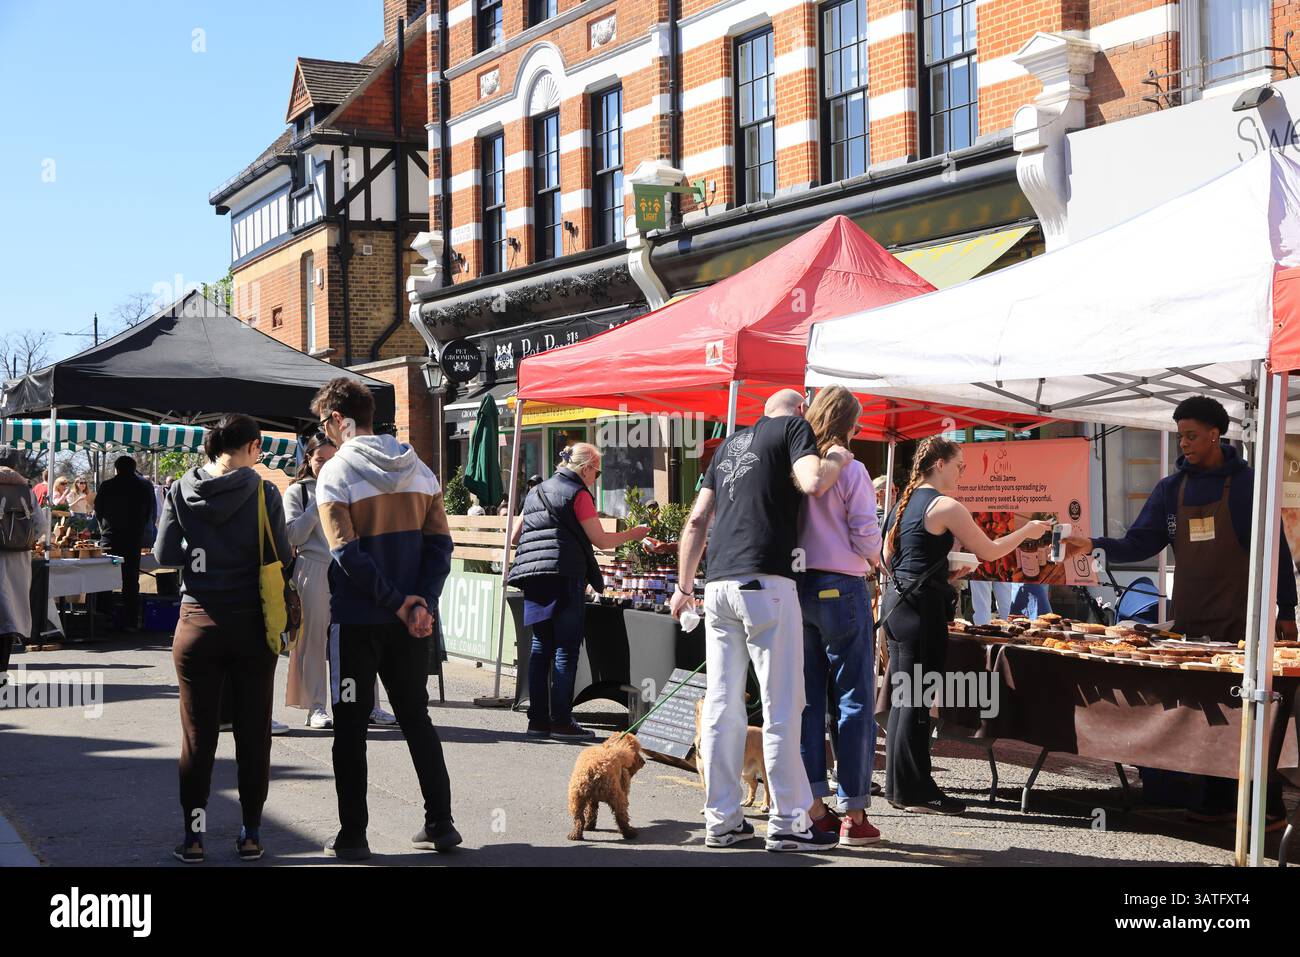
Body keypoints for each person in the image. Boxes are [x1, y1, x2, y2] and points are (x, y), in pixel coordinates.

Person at [1065, 395, 1297, 827]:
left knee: (1248, 712)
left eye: (1191, 435)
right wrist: (1094, 542)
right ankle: (1213, 800)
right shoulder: (1172, 489)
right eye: (1180, 435)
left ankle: (1267, 807)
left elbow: (1275, 550)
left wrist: (1287, 608)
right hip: (1191, 617)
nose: (1184, 443)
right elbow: (1140, 542)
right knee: (1205, 712)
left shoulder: (1248, 485)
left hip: (1242, 618)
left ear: (1215, 434)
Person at [670, 389, 854, 853]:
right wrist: (836, 458)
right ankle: (790, 822)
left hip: (716, 587)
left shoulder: (729, 444)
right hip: (767, 584)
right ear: (798, 410)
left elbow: (696, 521)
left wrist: (683, 586)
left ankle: (722, 820)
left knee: (721, 707)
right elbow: (812, 482)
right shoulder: (795, 429)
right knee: (782, 707)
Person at [312, 377, 461, 859]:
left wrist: (398, 602)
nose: (324, 433)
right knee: (416, 717)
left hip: (358, 620)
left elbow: (346, 554)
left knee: (350, 729)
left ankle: (353, 834)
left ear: (339, 420)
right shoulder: (418, 467)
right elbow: (440, 545)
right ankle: (441, 822)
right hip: (408, 623)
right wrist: (420, 604)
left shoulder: (334, 473)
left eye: (324, 423)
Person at [881, 437, 1051, 815]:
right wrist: (1027, 532)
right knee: (916, 700)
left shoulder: (902, 504)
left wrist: (943, 570)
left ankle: (901, 787)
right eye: (959, 464)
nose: (962, 472)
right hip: (921, 608)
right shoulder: (946, 505)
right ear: (939, 464)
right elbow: (988, 552)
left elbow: (889, 558)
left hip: (899, 605)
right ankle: (915, 791)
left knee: (904, 698)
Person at [154, 414, 292, 863]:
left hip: (197, 622)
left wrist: (200, 558)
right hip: (252, 623)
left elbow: (163, 554)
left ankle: (194, 838)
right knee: (253, 734)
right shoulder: (263, 491)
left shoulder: (180, 488)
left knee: (198, 736)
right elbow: (283, 555)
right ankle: (251, 833)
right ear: (252, 447)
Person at [509, 442, 649, 740]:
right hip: (564, 576)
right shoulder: (578, 493)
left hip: (533, 576)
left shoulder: (536, 491)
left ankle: (538, 721)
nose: (595, 478)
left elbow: (514, 536)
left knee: (539, 648)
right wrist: (634, 534)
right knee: (565, 649)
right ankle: (561, 720)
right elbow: (601, 541)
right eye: (596, 472)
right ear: (585, 469)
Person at [796, 386, 883, 846]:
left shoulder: (798, 463)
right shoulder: (851, 466)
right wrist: (874, 559)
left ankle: (814, 807)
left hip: (799, 585)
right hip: (842, 586)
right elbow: (866, 531)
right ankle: (854, 813)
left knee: (808, 701)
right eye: (857, 422)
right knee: (854, 701)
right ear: (848, 423)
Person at [284, 434, 338, 730]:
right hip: (313, 565)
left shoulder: (348, 486)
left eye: (332, 459)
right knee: (313, 641)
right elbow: (292, 536)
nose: (327, 466)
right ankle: (315, 706)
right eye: (320, 460)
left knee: (357, 637)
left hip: (345, 566)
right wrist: (318, 504)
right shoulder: (298, 492)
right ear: (309, 460)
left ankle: (369, 704)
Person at [94, 456, 155, 631]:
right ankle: (131, 620)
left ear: (116, 468)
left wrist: (104, 527)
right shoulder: (143, 487)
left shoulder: (107, 485)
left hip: (110, 537)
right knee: (130, 579)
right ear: (134, 468)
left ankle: (102, 616)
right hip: (132, 537)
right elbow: (149, 513)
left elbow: (98, 510)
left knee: (104, 578)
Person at [0, 468, 48, 686]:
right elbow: (41, 525)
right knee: (10, 615)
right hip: (18, 560)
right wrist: (24, 540)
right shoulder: (25, 492)